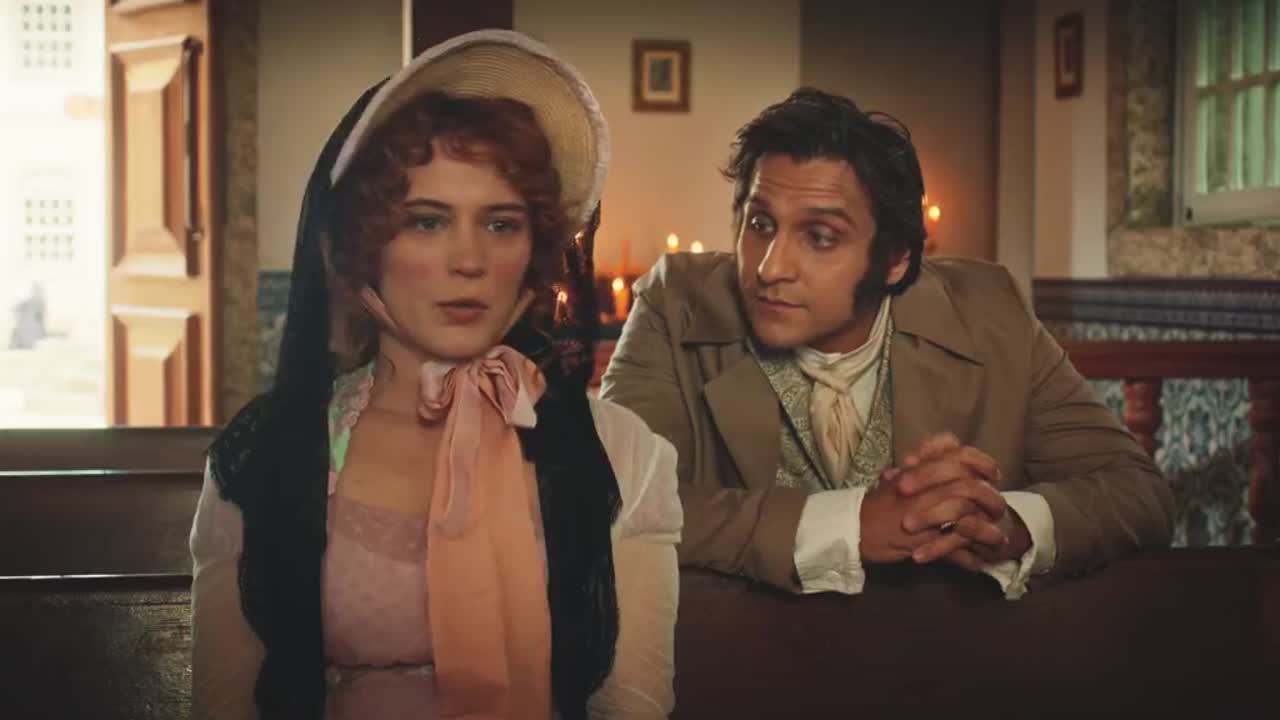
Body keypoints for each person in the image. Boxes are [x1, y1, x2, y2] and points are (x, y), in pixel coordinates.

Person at [190, 31, 680, 720]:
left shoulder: (623, 454)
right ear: (360, 244)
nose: (469, 260)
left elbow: (632, 707)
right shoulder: (270, 453)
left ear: (536, 249)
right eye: (426, 222)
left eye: (501, 224)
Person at [601, 87, 1173, 599]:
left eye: (820, 237)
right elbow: (612, 500)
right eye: (760, 225)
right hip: (738, 662)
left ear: (896, 258)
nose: (770, 268)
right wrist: (848, 526)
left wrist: (1009, 523)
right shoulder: (675, 303)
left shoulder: (990, 311)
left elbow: (1140, 493)